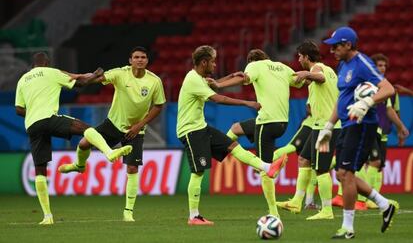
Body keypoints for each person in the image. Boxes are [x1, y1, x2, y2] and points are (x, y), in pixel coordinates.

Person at [15, 52, 132, 225]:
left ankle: (47, 217)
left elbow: (18, 109)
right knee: (86, 129)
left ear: (33, 65)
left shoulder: (23, 80)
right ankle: (108, 152)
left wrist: (33, 112)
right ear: (47, 63)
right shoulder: (52, 72)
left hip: (32, 125)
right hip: (50, 118)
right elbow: (81, 83)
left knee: (40, 170)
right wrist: (96, 75)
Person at [176, 45, 283, 226]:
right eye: (213, 61)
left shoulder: (199, 77)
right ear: (204, 62)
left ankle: (267, 167)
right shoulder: (193, 80)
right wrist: (247, 103)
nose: (215, 65)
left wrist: (230, 77)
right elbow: (219, 99)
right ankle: (193, 216)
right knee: (198, 172)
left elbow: (214, 83)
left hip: (200, 127)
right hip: (190, 131)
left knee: (233, 146)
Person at [59, 46, 165, 222]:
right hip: (113, 124)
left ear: (147, 60)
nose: (140, 60)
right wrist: (82, 77)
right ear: (130, 60)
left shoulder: (155, 81)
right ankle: (79, 165)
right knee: (84, 144)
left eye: (143, 57)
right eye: (136, 57)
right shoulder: (120, 73)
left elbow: (159, 105)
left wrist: (139, 125)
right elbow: (98, 78)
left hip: (135, 130)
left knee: (132, 168)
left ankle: (128, 212)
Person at [317, 26, 399, 239]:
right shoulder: (342, 66)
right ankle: (384, 205)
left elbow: (388, 89)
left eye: (336, 46)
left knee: (345, 173)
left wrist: (367, 102)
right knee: (343, 173)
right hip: (346, 125)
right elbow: (341, 99)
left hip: (362, 125)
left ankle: (348, 228)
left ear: (348, 45)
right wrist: (327, 126)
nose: (332, 50)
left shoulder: (362, 63)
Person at [211, 48, 303, 218]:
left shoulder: (255, 66)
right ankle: (219, 150)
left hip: (266, 123)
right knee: (236, 128)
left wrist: (219, 85)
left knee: (265, 170)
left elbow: (243, 78)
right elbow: (300, 81)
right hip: (281, 123)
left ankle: (273, 213)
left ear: (251, 61)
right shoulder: (282, 67)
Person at [276, 41, 341, 220]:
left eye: (300, 56)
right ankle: (297, 201)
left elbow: (320, 78)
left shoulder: (318, 69)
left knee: (321, 169)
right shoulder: (329, 69)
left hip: (326, 128)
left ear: (306, 57)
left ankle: (327, 211)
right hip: (318, 125)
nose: (298, 59)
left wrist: (306, 73)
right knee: (304, 159)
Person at [365, 54, 409, 208]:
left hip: (383, 130)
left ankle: (373, 198)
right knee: (371, 162)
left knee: (378, 165)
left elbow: (391, 110)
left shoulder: (387, 88)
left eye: (384, 65)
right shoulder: (368, 85)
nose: (382, 68)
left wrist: (400, 127)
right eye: (379, 65)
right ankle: (365, 198)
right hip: (369, 128)